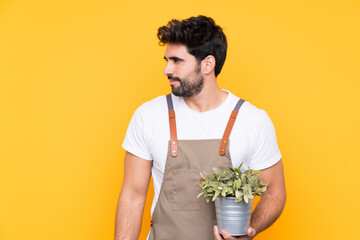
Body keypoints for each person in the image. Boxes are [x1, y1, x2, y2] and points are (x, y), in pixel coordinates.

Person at [115, 15, 286, 240]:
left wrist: (248, 230)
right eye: (166, 60)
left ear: (207, 64)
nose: (167, 69)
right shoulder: (148, 115)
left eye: (176, 60)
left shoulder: (253, 120)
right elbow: (132, 196)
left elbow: (274, 192)